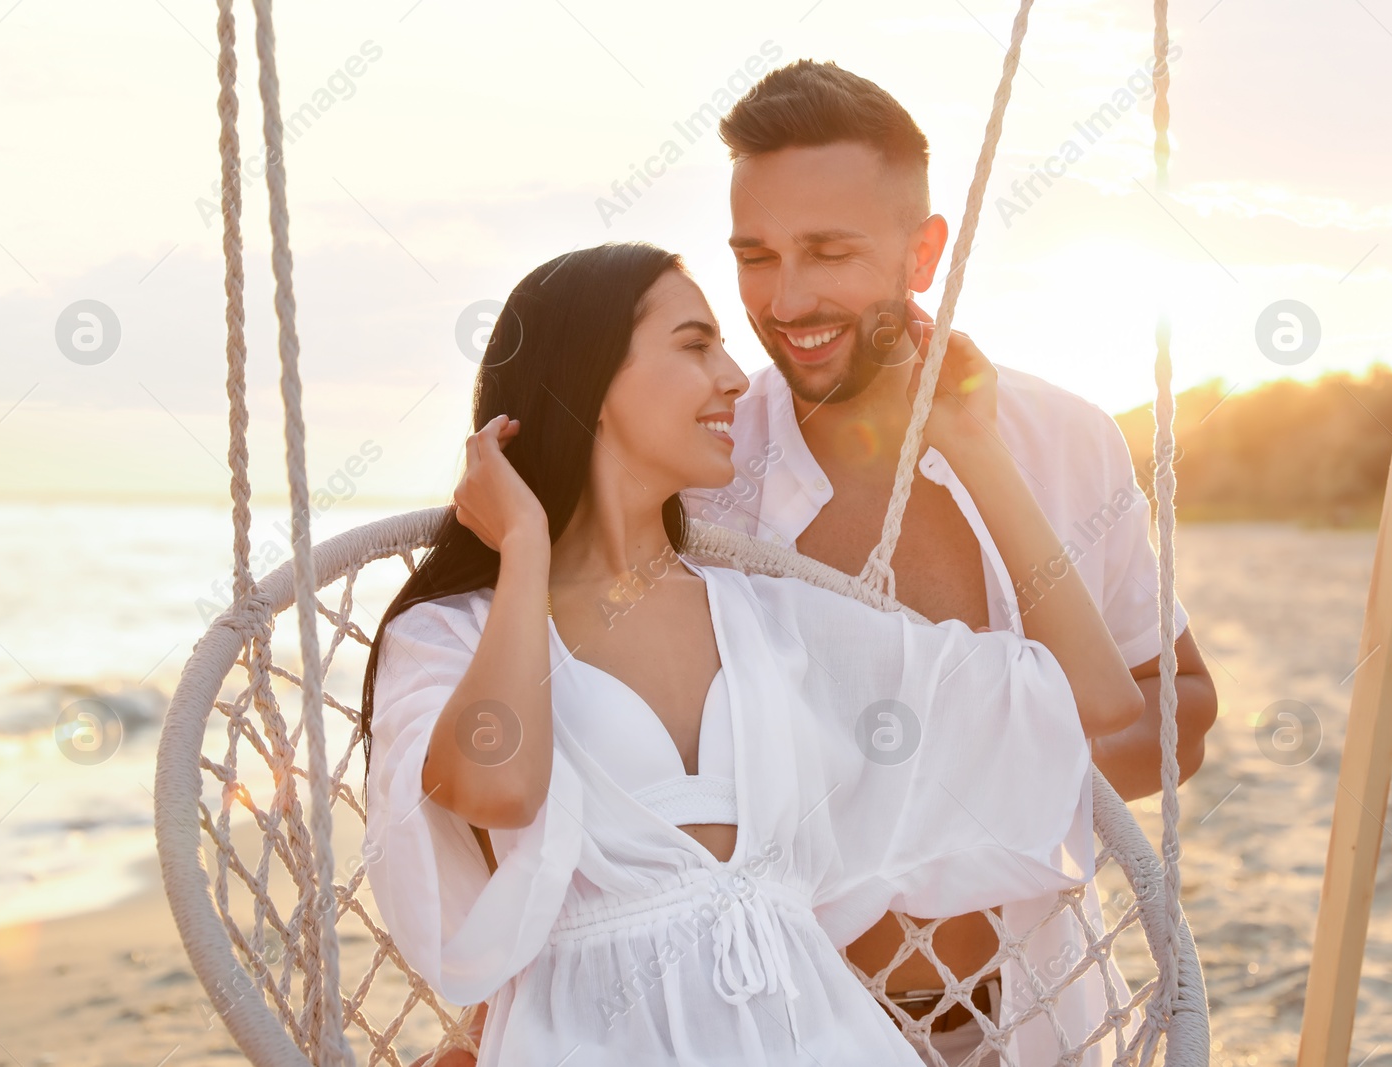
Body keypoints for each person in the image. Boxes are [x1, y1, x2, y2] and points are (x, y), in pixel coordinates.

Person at [360, 242, 1145, 1066]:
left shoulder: (774, 623)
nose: (736, 376)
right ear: (585, 376)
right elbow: (500, 786)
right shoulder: (449, 633)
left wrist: (972, 443)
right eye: (696, 345)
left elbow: (1097, 697)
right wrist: (524, 550)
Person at [674, 60, 1221, 1065]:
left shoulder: (1065, 438)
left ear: (922, 251)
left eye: (827, 252)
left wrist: (989, 761)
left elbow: (1177, 717)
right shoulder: (698, 467)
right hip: (763, 1025)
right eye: (755, 256)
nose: (785, 299)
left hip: (1031, 1020)